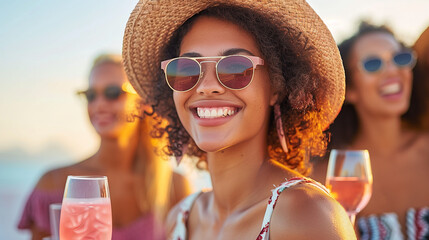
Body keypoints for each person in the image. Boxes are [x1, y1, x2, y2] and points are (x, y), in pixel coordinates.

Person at [122, 1, 356, 239]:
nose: (207, 86)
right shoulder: (180, 218)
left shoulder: (308, 215)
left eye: (236, 67)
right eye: (187, 70)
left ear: (277, 86)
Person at [17, 54, 192, 240]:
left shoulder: (174, 187)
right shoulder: (54, 183)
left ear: (142, 103)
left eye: (112, 93)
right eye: (91, 95)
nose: (99, 104)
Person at [311, 22, 429, 239]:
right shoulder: (330, 176)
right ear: (350, 89)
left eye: (400, 58)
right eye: (373, 64)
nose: (393, 70)